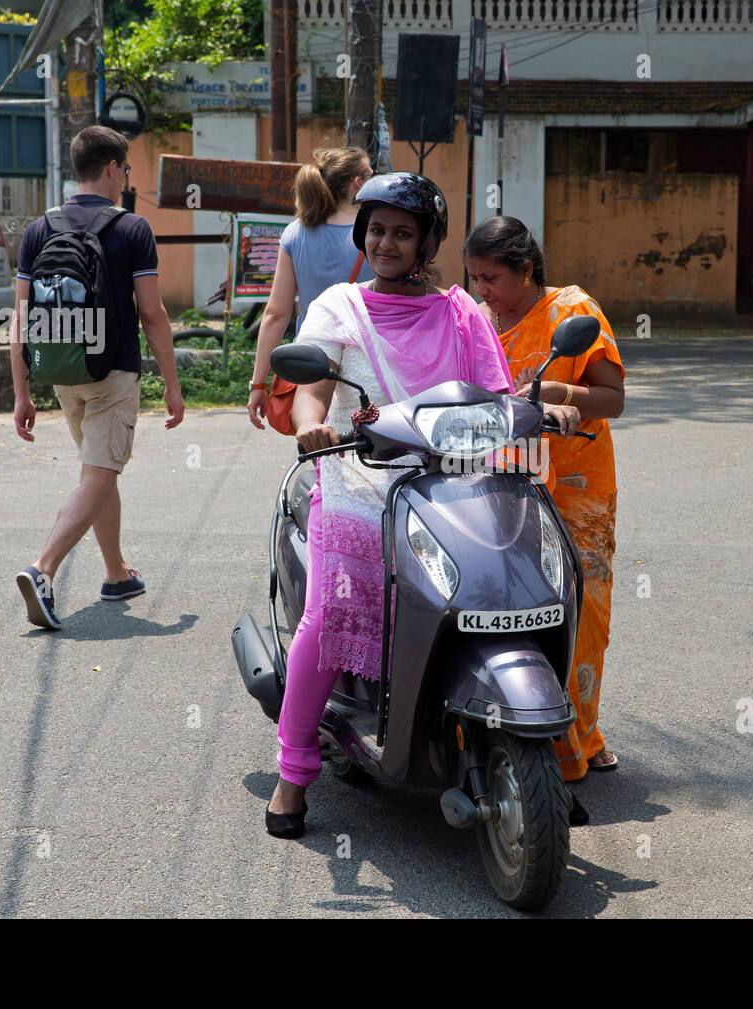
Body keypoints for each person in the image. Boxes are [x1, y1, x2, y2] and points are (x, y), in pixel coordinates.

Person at [265, 174, 582, 839]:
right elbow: (312, 388)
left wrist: (536, 409)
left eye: (401, 233)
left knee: (505, 584)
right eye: (376, 230)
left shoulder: (460, 311)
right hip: (356, 481)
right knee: (329, 617)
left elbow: (494, 391)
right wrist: (310, 422)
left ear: (425, 243)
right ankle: (291, 777)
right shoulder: (339, 307)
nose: (386, 242)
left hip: (453, 483)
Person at [463, 216, 626, 820]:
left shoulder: (570, 312)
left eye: (494, 278)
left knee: (579, 616)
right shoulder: (473, 318)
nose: (484, 290)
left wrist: (560, 395)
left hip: (578, 486)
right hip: (496, 480)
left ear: (527, 270)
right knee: (502, 605)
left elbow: (613, 398)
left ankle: (575, 742)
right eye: (475, 277)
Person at [11, 125, 184, 630]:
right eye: (126, 169)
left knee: (97, 468)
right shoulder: (132, 229)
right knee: (100, 471)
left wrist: (21, 392)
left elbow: (19, 319)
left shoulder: (39, 229)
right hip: (112, 372)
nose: (126, 178)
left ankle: (115, 573)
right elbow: (152, 315)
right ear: (112, 168)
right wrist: (172, 386)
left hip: (63, 370)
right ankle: (43, 570)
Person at [246, 147, 376, 429]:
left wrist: (258, 383)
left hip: (312, 362)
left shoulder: (296, 232)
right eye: (370, 174)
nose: (375, 178)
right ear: (357, 183)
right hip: (366, 362)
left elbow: (276, 314)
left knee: (316, 442)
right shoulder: (376, 235)